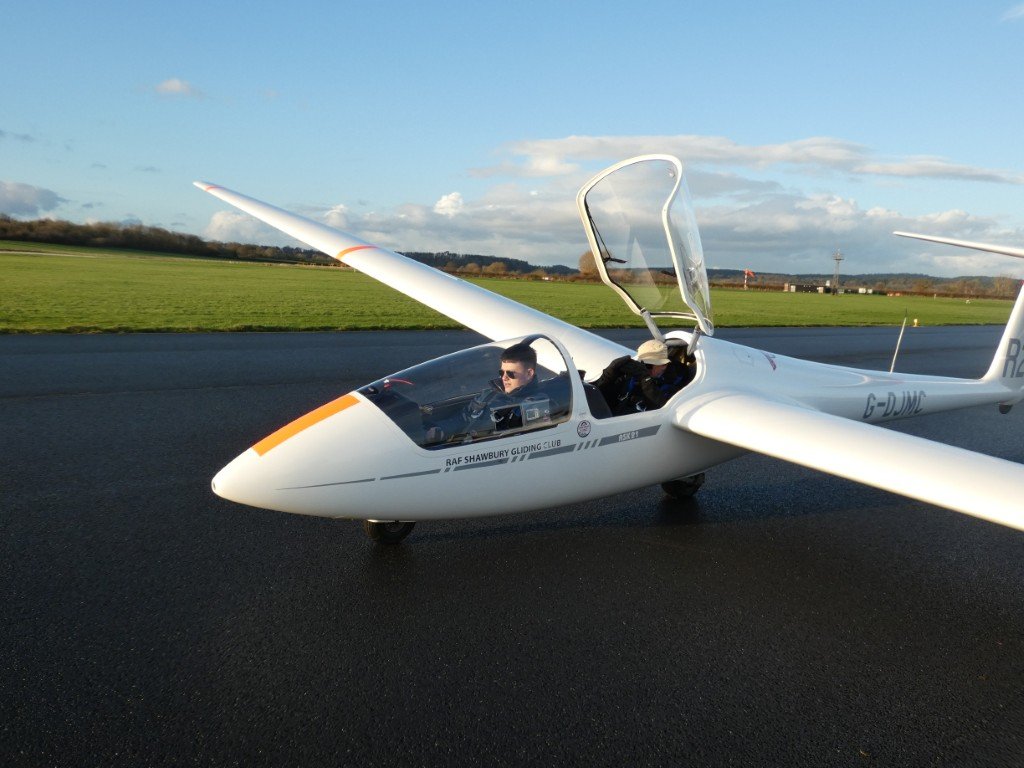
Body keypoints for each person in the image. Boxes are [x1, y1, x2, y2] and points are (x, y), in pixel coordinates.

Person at [425, 343, 543, 443]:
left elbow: (490, 432)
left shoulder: (534, 405)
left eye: (510, 373)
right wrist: (441, 429)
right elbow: (465, 417)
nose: (504, 378)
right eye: (501, 372)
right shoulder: (489, 395)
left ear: (529, 373)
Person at [594, 339, 690, 416]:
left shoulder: (673, 381)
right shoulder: (632, 376)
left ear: (664, 365)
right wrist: (608, 376)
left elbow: (661, 409)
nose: (645, 369)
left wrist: (646, 380)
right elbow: (599, 399)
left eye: (648, 365)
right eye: (644, 365)